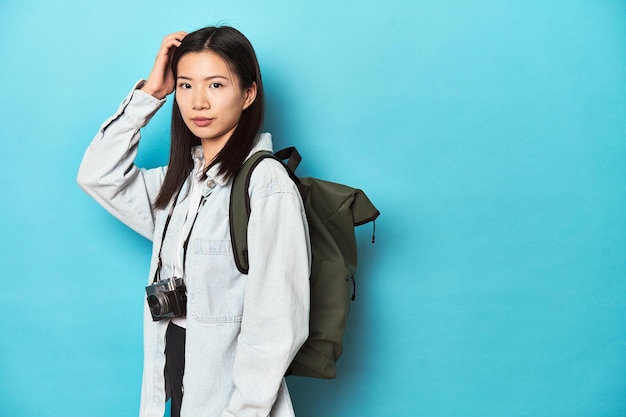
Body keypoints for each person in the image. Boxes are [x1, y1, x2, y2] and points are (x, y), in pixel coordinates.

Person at [77, 26, 311, 417]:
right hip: (176, 380)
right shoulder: (182, 184)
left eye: (216, 85)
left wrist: (245, 412)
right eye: (185, 86)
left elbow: (277, 324)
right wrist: (149, 96)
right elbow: (97, 176)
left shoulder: (266, 185)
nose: (198, 102)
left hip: (231, 401)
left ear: (248, 93)